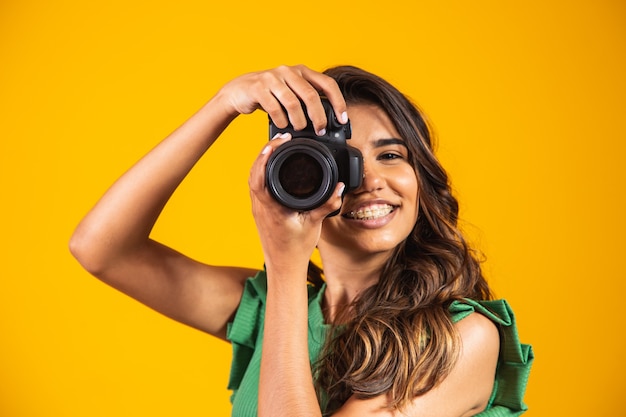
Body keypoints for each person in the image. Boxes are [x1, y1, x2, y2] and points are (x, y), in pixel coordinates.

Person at [69, 64, 532, 416]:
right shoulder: (272, 310)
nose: (368, 180)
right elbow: (101, 248)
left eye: (390, 155)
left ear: (420, 180)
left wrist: (286, 264)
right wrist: (223, 105)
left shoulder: (462, 336)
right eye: (340, 162)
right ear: (296, 181)